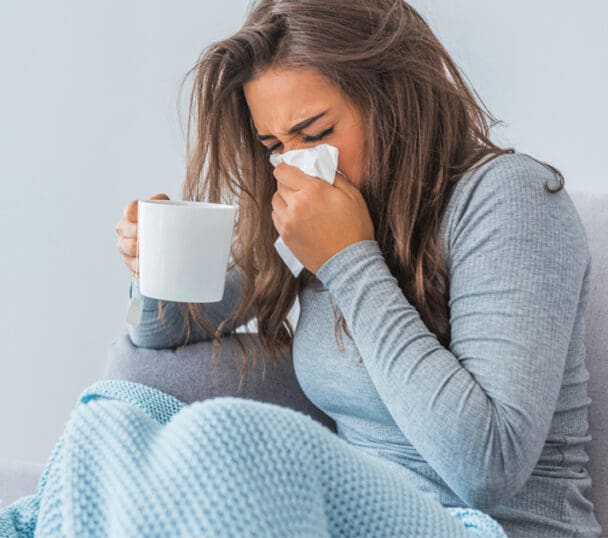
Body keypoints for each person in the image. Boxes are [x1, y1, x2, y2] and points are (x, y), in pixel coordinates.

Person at [114, 0, 601, 536]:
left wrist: (349, 261)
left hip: (490, 527)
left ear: (392, 100)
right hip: (354, 520)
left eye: (317, 133)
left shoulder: (510, 198)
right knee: (113, 423)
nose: (297, 164)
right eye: (275, 146)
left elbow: (487, 466)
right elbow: (164, 333)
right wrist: (151, 267)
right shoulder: (314, 222)